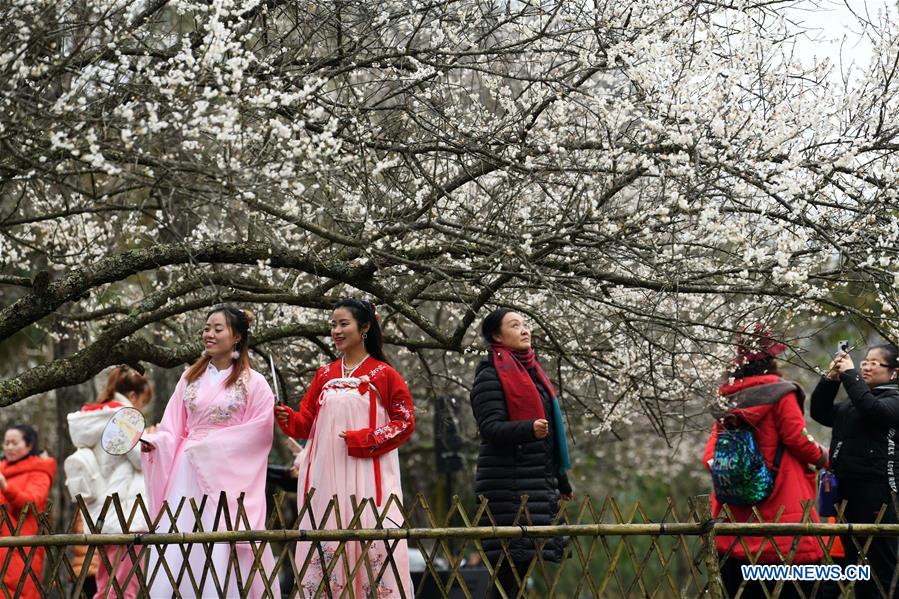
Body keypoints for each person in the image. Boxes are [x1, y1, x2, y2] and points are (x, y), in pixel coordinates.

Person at [275, 298, 415, 598]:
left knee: (370, 538)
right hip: (327, 474)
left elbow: (404, 421)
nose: (335, 331)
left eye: (343, 324)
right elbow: (306, 424)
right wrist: (289, 419)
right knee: (326, 534)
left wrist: (364, 440)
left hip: (367, 470)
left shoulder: (384, 374)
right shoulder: (324, 374)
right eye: (333, 325)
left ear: (364, 328)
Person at [141, 304, 281, 598]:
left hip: (225, 475)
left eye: (218, 329)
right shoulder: (188, 378)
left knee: (219, 539)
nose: (210, 334)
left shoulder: (254, 383)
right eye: (206, 328)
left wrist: (214, 448)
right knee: (182, 536)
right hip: (186, 470)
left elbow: (259, 431)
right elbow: (172, 428)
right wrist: (154, 442)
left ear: (237, 337)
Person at [703, 324, 828, 599]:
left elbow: (709, 456)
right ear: (772, 358)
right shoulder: (781, 393)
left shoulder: (727, 398)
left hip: (734, 517)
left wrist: (735, 473)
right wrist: (825, 458)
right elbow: (798, 439)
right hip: (782, 506)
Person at [469, 308, 573, 599]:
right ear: (496, 336)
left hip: (537, 485)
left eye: (526, 324)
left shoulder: (533, 373)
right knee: (508, 575)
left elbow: (550, 436)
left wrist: (561, 480)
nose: (525, 329)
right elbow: (490, 427)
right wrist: (527, 429)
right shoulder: (490, 376)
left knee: (517, 575)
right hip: (508, 488)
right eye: (515, 326)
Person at [811, 343, 899, 598]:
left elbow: (874, 412)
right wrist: (831, 379)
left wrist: (851, 375)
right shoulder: (855, 401)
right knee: (853, 560)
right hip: (845, 487)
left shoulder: (893, 399)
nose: (866, 366)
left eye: (875, 363)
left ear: (893, 372)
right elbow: (820, 412)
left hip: (877, 488)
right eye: (865, 361)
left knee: (880, 561)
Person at [65, 365, 152, 599]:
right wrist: (152, 441)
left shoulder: (95, 418)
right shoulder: (125, 418)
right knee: (125, 586)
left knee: (106, 583)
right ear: (133, 396)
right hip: (125, 512)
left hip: (102, 511)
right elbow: (141, 461)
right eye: (143, 401)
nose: (141, 407)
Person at [0, 424, 57, 599]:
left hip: (22, 545)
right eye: (6, 442)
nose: (9, 447)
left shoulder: (39, 471)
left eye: (14, 443)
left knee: (20, 591)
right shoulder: (2, 468)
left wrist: (5, 487)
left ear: (29, 445)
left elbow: (32, 502)